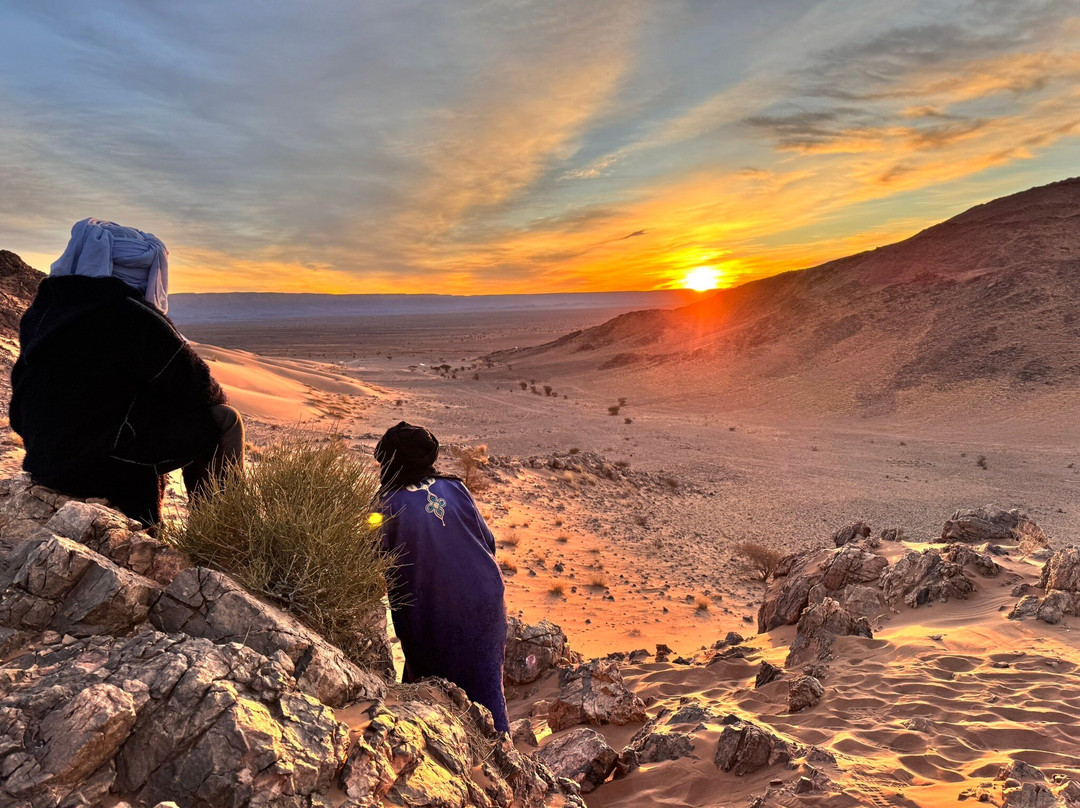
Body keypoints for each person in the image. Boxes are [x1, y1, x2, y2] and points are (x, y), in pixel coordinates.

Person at [9, 218, 243, 527]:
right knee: (225, 420)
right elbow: (200, 389)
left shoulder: (43, 311)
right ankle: (222, 533)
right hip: (99, 464)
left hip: (44, 460)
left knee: (136, 421)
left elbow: (22, 389)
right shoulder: (131, 314)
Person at [375, 421, 510, 733]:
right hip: (487, 601)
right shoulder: (456, 487)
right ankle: (503, 752)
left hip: (434, 612)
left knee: (433, 695)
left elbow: (366, 562)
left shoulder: (386, 505)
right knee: (488, 688)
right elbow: (489, 542)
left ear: (392, 462)